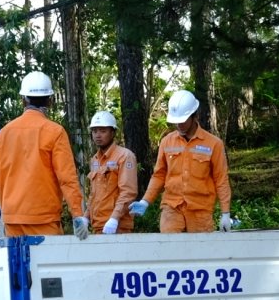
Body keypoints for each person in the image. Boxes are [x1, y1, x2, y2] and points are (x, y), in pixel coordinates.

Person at [0, 71, 88, 237]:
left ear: (23, 99)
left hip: (13, 219)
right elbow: (67, 179)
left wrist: (9, 210)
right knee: (46, 262)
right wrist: (77, 214)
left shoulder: (3, 134)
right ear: (49, 100)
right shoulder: (55, 132)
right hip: (43, 219)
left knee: (18, 264)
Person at [129, 90, 234, 234]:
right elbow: (159, 175)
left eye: (183, 120)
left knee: (199, 253)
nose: (179, 125)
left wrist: (225, 213)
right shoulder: (167, 142)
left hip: (200, 210)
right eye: (175, 121)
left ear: (194, 115)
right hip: (171, 207)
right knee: (171, 251)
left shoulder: (214, 144)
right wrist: (145, 201)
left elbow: (221, 180)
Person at [84, 109, 139, 235]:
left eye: (103, 131)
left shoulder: (124, 156)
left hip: (118, 227)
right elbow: (93, 194)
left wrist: (114, 218)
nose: (98, 135)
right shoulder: (95, 160)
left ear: (113, 132)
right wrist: (86, 217)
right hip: (98, 226)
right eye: (94, 131)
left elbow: (128, 192)